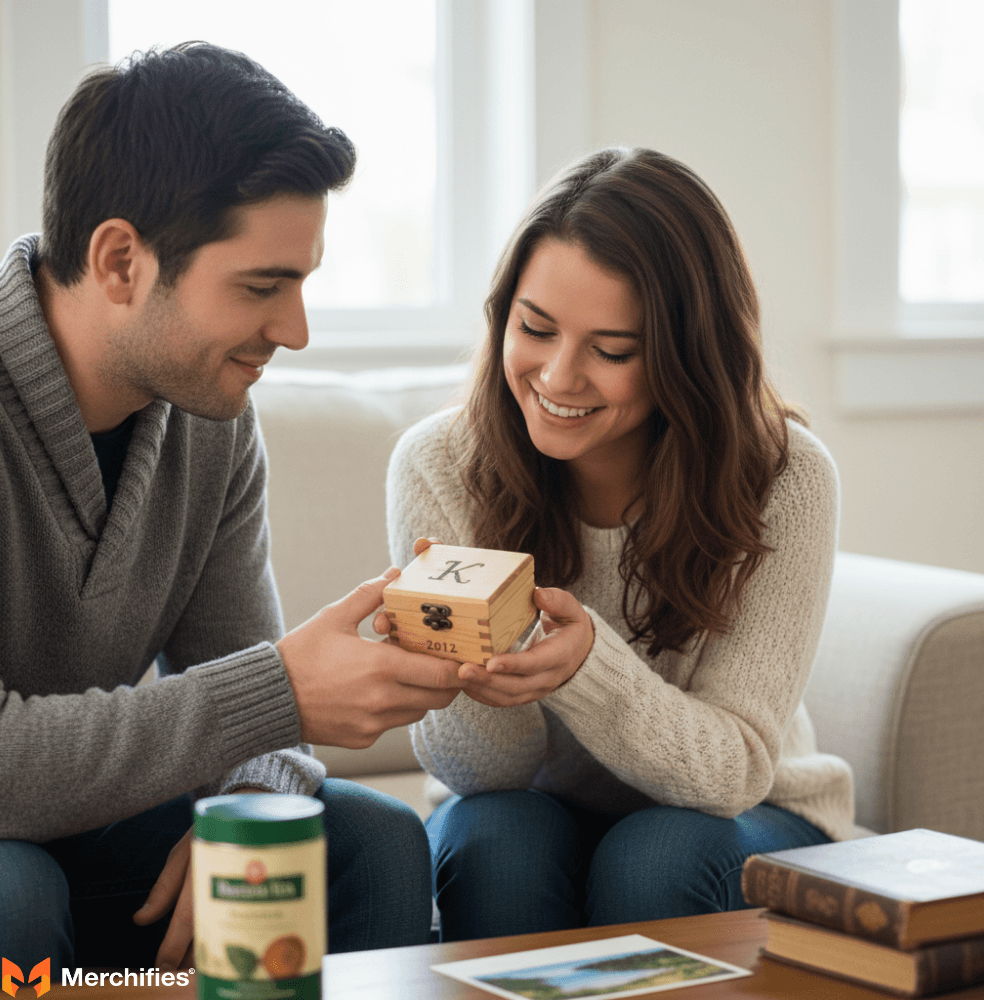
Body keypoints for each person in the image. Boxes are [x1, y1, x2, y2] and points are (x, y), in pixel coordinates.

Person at [0, 43, 464, 973]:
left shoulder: (212, 422)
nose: (294, 331)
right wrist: (279, 688)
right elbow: (261, 691)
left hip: (85, 834)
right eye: (263, 286)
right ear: (121, 259)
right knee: (15, 892)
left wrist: (248, 810)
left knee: (360, 842)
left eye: (302, 282)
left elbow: (258, 713)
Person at [383, 147, 855, 941]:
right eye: (535, 329)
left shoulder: (785, 475)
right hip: (531, 808)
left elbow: (735, 767)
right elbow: (484, 776)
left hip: (744, 812)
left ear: (686, 355)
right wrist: (460, 661)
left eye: (612, 351)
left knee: (654, 856)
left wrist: (583, 668)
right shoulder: (440, 464)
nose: (559, 378)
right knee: (495, 842)